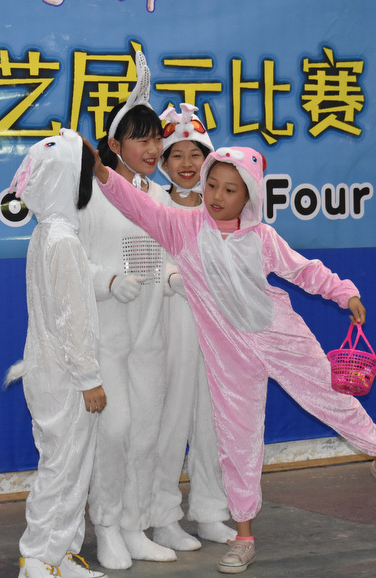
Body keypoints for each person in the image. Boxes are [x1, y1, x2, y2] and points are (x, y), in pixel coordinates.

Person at [83, 141, 376, 575]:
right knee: (238, 442)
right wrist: (103, 172)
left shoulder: (262, 237)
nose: (217, 196)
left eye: (230, 190)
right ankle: (244, 538)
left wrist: (344, 292)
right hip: (230, 358)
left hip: (282, 338)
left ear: (249, 197)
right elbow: (138, 206)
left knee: (332, 397)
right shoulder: (183, 228)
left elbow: (303, 270)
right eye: (212, 185)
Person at [77, 51, 175, 570]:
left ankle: (135, 526)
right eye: (142, 139)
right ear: (115, 146)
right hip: (106, 337)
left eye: (157, 138)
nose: (154, 149)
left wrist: (174, 275)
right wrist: (107, 282)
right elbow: (69, 263)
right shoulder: (91, 195)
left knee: (146, 433)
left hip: (150, 335)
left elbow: (170, 253)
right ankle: (108, 525)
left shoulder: (162, 197)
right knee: (114, 431)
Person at [4, 130, 108, 578]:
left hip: (52, 371)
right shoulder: (61, 239)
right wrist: (89, 378)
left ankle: (60, 553)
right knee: (62, 469)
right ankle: (36, 558)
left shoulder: (48, 233)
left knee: (71, 467)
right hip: (65, 378)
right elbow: (71, 318)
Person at [150, 104, 236, 551]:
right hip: (171, 325)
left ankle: (210, 511)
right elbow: (141, 262)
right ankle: (162, 516)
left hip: (219, 330)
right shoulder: (152, 205)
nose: (187, 164)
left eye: (195, 154)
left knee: (215, 423)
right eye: (176, 155)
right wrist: (174, 278)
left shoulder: (223, 206)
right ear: (163, 163)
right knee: (170, 421)